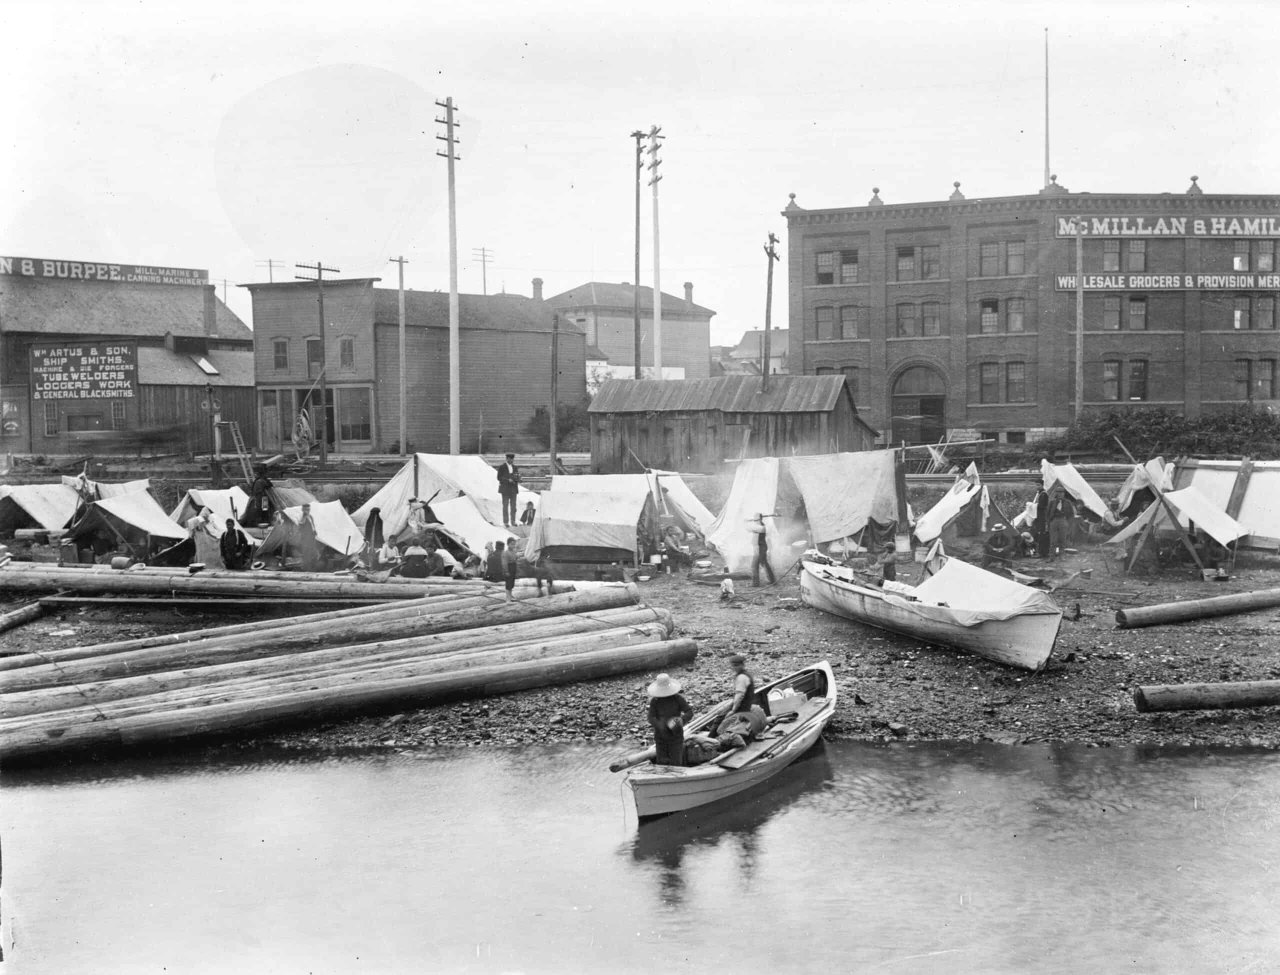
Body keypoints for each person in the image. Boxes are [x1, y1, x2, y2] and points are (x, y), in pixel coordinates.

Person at [646, 673, 694, 767]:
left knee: (676, 763)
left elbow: (689, 712)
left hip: (676, 736)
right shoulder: (655, 701)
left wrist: (679, 721)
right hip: (660, 737)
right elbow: (650, 717)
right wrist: (659, 725)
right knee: (662, 763)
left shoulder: (677, 699)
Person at [1047, 487, 1077, 561]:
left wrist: (1068, 523)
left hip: (1063, 520)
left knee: (1062, 539)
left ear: (1064, 494)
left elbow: (1071, 515)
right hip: (1054, 521)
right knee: (1053, 540)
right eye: (1058, 492)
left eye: (1061, 492)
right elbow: (1047, 514)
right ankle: (1051, 557)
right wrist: (1048, 523)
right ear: (1056, 493)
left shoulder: (1067, 502)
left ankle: (1062, 556)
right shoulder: (1052, 502)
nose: (1060, 494)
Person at [748, 511, 777, 587]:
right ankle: (772, 580)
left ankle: (756, 583)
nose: (755, 521)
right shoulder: (758, 526)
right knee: (764, 564)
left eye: (756, 520)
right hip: (759, 548)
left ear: (759, 519)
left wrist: (745, 523)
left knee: (754, 565)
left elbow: (750, 528)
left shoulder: (761, 527)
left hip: (761, 548)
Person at [496, 453, 521, 526]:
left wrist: (519, 479)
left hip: (513, 489)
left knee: (513, 506)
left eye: (512, 459)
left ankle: (513, 521)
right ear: (507, 459)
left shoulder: (515, 467)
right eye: (510, 459)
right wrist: (507, 480)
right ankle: (506, 522)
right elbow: (499, 477)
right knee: (505, 506)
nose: (511, 460)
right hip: (505, 489)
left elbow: (517, 475)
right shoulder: (502, 467)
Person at [296, 503, 320, 571]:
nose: (308, 511)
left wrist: (314, 531)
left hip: (312, 537)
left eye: (309, 509)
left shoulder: (311, 516)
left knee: (314, 553)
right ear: (303, 510)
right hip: (306, 539)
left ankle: (312, 568)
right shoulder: (302, 517)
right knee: (306, 554)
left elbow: (312, 525)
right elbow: (300, 526)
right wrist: (304, 516)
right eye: (306, 509)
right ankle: (307, 569)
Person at [1032, 485, 1051, 560]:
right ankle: (1042, 552)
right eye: (1036, 485)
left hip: (1042, 517)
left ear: (1042, 485)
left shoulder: (1043, 494)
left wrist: (1034, 506)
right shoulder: (1040, 493)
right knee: (1040, 535)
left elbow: (1042, 506)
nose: (1037, 486)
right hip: (1039, 517)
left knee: (1042, 535)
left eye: (1038, 485)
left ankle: (1042, 552)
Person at [503, 535, 520, 601]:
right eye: (512, 544)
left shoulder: (513, 551)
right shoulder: (506, 553)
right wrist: (506, 571)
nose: (513, 546)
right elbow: (504, 563)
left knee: (512, 583)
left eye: (514, 544)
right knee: (508, 584)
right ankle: (508, 598)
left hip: (513, 568)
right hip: (509, 568)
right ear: (508, 544)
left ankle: (511, 596)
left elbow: (515, 558)